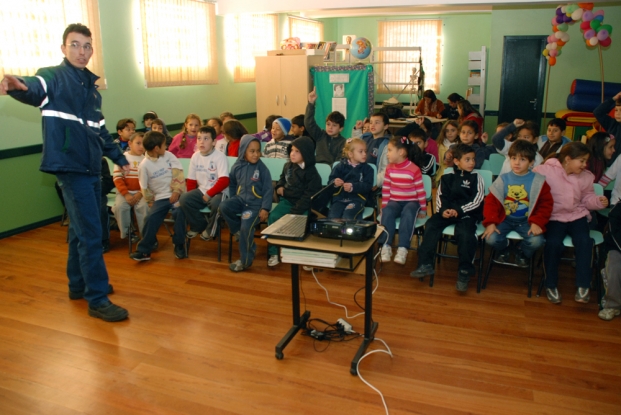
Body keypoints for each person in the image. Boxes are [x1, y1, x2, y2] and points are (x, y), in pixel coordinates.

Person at [1, 23, 128, 322]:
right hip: (71, 168)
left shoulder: (91, 90)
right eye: (74, 45)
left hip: (90, 167)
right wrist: (18, 84)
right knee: (92, 234)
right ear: (63, 48)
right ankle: (96, 298)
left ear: (91, 50)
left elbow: (100, 131)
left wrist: (118, 157)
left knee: (80, 230)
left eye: (86, 46)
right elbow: (34, 87)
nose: (81, 51)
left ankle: (78, 285)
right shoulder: (53, 77)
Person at [533, 142, 608, 304]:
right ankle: (550, 284)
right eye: (581, 161)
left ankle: (583, 285)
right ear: (568, 159)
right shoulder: (544, 170)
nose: (584, 165)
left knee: (585, 241)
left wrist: (598, 201)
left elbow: (587, 198)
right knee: (553, 243)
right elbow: (531, 189)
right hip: (553, 216)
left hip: (577, 215)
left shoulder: (586, 176)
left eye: (586, 161)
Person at [411, 143, 485, 292]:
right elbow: (439, 197)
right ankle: (425, 264)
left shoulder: (477, 177)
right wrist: (443, 211)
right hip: (447, 212)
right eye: (467, 159)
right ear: (457, 161)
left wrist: (459, 210)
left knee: (465, 234)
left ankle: (464, 272)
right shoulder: (446, 177)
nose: (472, 162)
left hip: (467, 214)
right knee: (431, 226)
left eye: (473, 159)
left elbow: (477, 200)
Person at [482, 140, 553, 266]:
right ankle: (505, 248)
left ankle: (522, 251)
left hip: (527, 221)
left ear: (531, 162)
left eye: (523, 159)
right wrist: (491, 222)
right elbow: (491, 202)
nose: (517, 163)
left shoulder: (539, 181)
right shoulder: (503, 179)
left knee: (537, 241)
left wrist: (537, 222)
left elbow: (546, 205)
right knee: (490, 238)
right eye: (514, 158)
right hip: (505, 219)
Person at [129, 131, 188, 261]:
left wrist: (176, 191)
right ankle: (144, 251)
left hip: (176, 194)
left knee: (179, 213)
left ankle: (179, 244)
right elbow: (144, 187)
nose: (165, 147)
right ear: (156, 148)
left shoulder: (169, 156)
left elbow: (178, 174)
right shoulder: (144, 165)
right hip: (160, 198)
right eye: (163, 145)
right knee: (151, 217)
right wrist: (150, 201)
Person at [219, 135, 273, 272]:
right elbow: (232, 183)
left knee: (246, 229)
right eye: (252, 151)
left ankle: (245, 261)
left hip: (255, 206)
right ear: (243, 151)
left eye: (258, 151)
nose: (256, 154)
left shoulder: (262, 168)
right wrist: (234, 197)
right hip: (240, 200)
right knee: (223, 206)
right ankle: (236, 231)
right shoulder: (237, 166)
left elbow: (268, 189)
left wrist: (265, 208)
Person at [267, 136, 323, 267]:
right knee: (274, 217)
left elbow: (308, 196)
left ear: (306, 153)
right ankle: (274, 252)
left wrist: (295, 211)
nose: (292, 153)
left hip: (303, 205)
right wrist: (279, 186)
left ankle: (303, 255)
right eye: (292, 150)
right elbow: (282, 179)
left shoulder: (312, 173)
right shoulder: (288, 166)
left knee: (301, 223)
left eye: (297, 151)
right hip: (287, 202)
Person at [379, 137, 428, 265]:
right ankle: (386, 245)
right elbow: (386, 189)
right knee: (388, 211)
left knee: (408, 212)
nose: (387, 153)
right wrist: (384, 207)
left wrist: (423, 209)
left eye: (390, 150)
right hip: (395, 201)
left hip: (411, 201)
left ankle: (403, 248)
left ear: (401, 152)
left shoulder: (414, 169)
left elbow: (421, 191)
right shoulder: (389, 168)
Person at [180, 125, 230, 241]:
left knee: (217, 204)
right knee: (184, 199)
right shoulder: (195, 156)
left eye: (206, 138)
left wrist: (209, 194)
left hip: (219, 192)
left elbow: (224, 181)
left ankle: (211, 230)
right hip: (202, 190)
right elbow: (191, 181)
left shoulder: (220, 157)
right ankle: (198, 225)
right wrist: (193, 196)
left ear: (214, 142)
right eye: (199, 138)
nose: (201, 142)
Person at [112, 132, 148, 243]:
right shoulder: (122, 159)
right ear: (130, 143)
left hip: (141, 193)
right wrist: (126, 194)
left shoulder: (146, 160)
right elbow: (117, 178)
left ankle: (145, 235)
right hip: (124, 193)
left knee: (144, 208)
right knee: (120, 207)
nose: (141, 147)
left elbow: (147, 181)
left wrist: (140, 193)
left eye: (143, 144)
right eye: (138, 143)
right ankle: (127, 233)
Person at [328, 138, 374, 220]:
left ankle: (348, 233)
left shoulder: (368, 169)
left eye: (365, 151)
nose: (364, 154)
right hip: (339, 200)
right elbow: (330, 182)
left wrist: (353, 187)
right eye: (360, 151)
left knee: (348, 215)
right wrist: (334, 183)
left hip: (357, 200)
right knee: (333, 217)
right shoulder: (339, 167)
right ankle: (336, 233)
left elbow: (367, 186)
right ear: (350, 154)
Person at [305, 87, 346, 165]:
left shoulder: (343, 142)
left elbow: (339, 162)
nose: (330, 127)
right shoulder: (320, 135)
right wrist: (311, 103)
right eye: (328, 124)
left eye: (334, 125)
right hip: (317, 168)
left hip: (332, 171)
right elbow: (308, 122)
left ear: (341, 128)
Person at [593, 91, 621, 162]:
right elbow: (598, 112)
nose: (618, 113)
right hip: (607, 163)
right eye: (616, 110)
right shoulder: (611, 123)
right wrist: (614, 99)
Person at [435, 120, 459, 185]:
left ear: (458, 131)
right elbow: (442, 162)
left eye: (453, 130)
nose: (449, 133)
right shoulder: (440, 145)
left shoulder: (461, 145)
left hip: (457, 175)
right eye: (447, 131)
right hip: (443, 175)